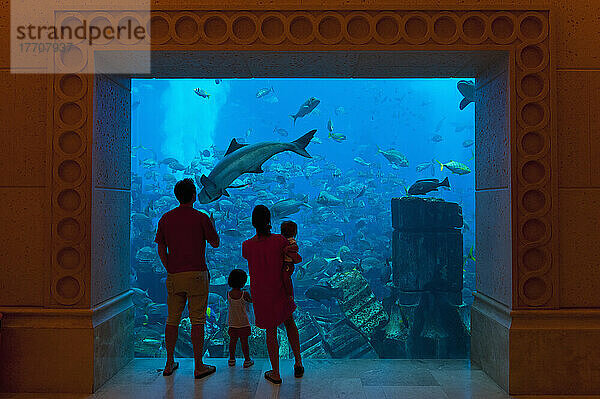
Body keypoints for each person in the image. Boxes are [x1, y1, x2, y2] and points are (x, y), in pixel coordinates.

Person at [154, 178, 219, 379]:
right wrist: (213, 225)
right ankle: (199, 365)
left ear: (176, 196)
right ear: (193, 196)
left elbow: (160, 247)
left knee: (172, 319)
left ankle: (168, 362)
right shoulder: (201, 217)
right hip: (197, 275)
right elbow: (215, 243)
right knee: (197, 320)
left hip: (175, 275)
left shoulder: (166, 218)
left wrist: (169, 267)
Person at [242, 205, 304, 385]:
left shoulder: (246, 246)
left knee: (271, 332)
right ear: (270, 221)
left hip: (261, 295)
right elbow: (291, 257)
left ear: (253, 223)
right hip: (280, 291)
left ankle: (275, 372)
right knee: (289, 322)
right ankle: (298, 361)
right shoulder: (280, 241)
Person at [226, 269, 254, 368]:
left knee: (232, 341)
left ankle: (232, 359)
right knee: (244, 342)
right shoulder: (244, 294)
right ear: (243, 282)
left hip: (232, 322)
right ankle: (247, 360)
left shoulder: (228, 293)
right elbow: (251, 301)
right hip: (243, 322)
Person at [280, 221, 302, 298]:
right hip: (286, 264)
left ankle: (288, 295)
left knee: (286, 279)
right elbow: (295, 248)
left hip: (287, 264)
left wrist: (287, 248)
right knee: (285, 279)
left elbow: (295, 247)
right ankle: (288, 295)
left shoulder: (288, 240)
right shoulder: (286, 239)